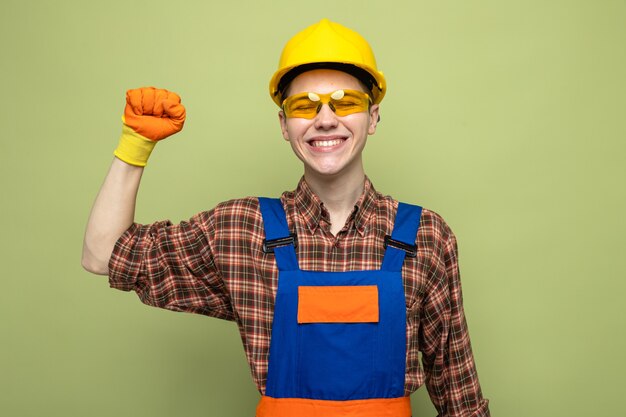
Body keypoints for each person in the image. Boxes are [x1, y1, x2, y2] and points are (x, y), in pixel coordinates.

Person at [82, 18, 490, 417]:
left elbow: (461, 401)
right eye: (303, 106)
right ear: (284, 124)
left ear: (374, 116)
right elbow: (103, 255)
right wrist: (135, 147)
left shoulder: (426, 236)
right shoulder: (241, 230)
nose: (325, 119)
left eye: (345, 102)